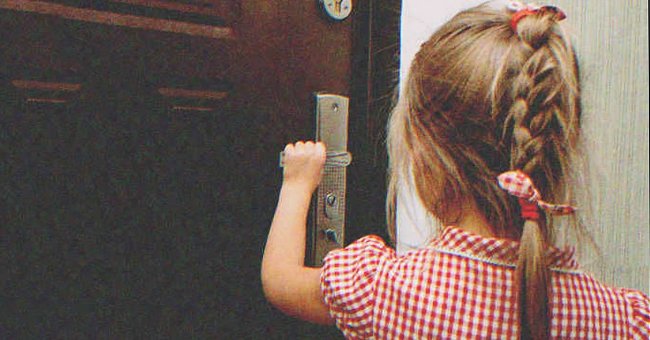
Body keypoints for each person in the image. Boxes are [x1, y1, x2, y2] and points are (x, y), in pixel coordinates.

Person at [261, 1, 650, 339]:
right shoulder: (622, 321)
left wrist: (297, 184)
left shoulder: (383, 291)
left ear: (427, 159)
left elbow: (281, 280)